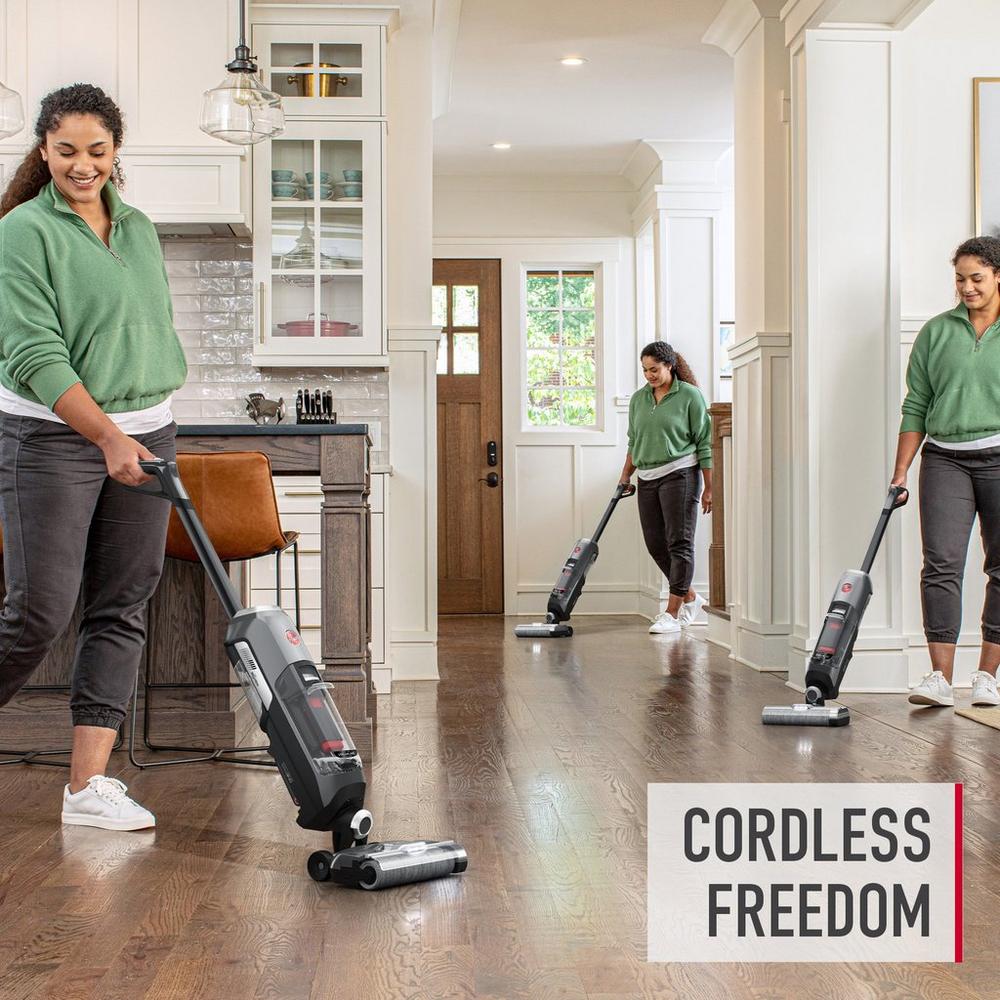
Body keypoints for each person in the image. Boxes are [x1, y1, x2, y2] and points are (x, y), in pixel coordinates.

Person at [0, 84, 188, 828]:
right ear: (44, 150)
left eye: (97, 151)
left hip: (150, 429)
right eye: (67, 151)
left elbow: (142, 327)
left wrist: (143, 420)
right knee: (38, 612)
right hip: (52, 438)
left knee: (122, 604)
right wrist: (107, 435)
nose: (83, 165)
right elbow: (32, 353)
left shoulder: (137, 227)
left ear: (117, 153)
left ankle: (87, 789)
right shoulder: (22, 231)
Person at [893, 236, 1000, 709]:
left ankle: (988, 677)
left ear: (998, 275)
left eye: (976, 278)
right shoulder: (937, 332)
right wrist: (900, 471)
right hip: (944, 458)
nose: (967, 288)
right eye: (960, 279)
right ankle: (940, 677)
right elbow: (917, 403)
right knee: (941, 565)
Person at [619, 341, 712, 634]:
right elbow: (634, 442)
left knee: (679, 542)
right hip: (646, 477)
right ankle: (691, 598)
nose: (650, 375)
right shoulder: (638, 399)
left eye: (655, 369)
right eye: (645, 370)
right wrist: (625, 476)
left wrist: (710, 487)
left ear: (669, 365)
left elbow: (704, 442)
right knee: (655, 544)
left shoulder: (689, 396)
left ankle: (672, 613)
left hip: (680, 474)